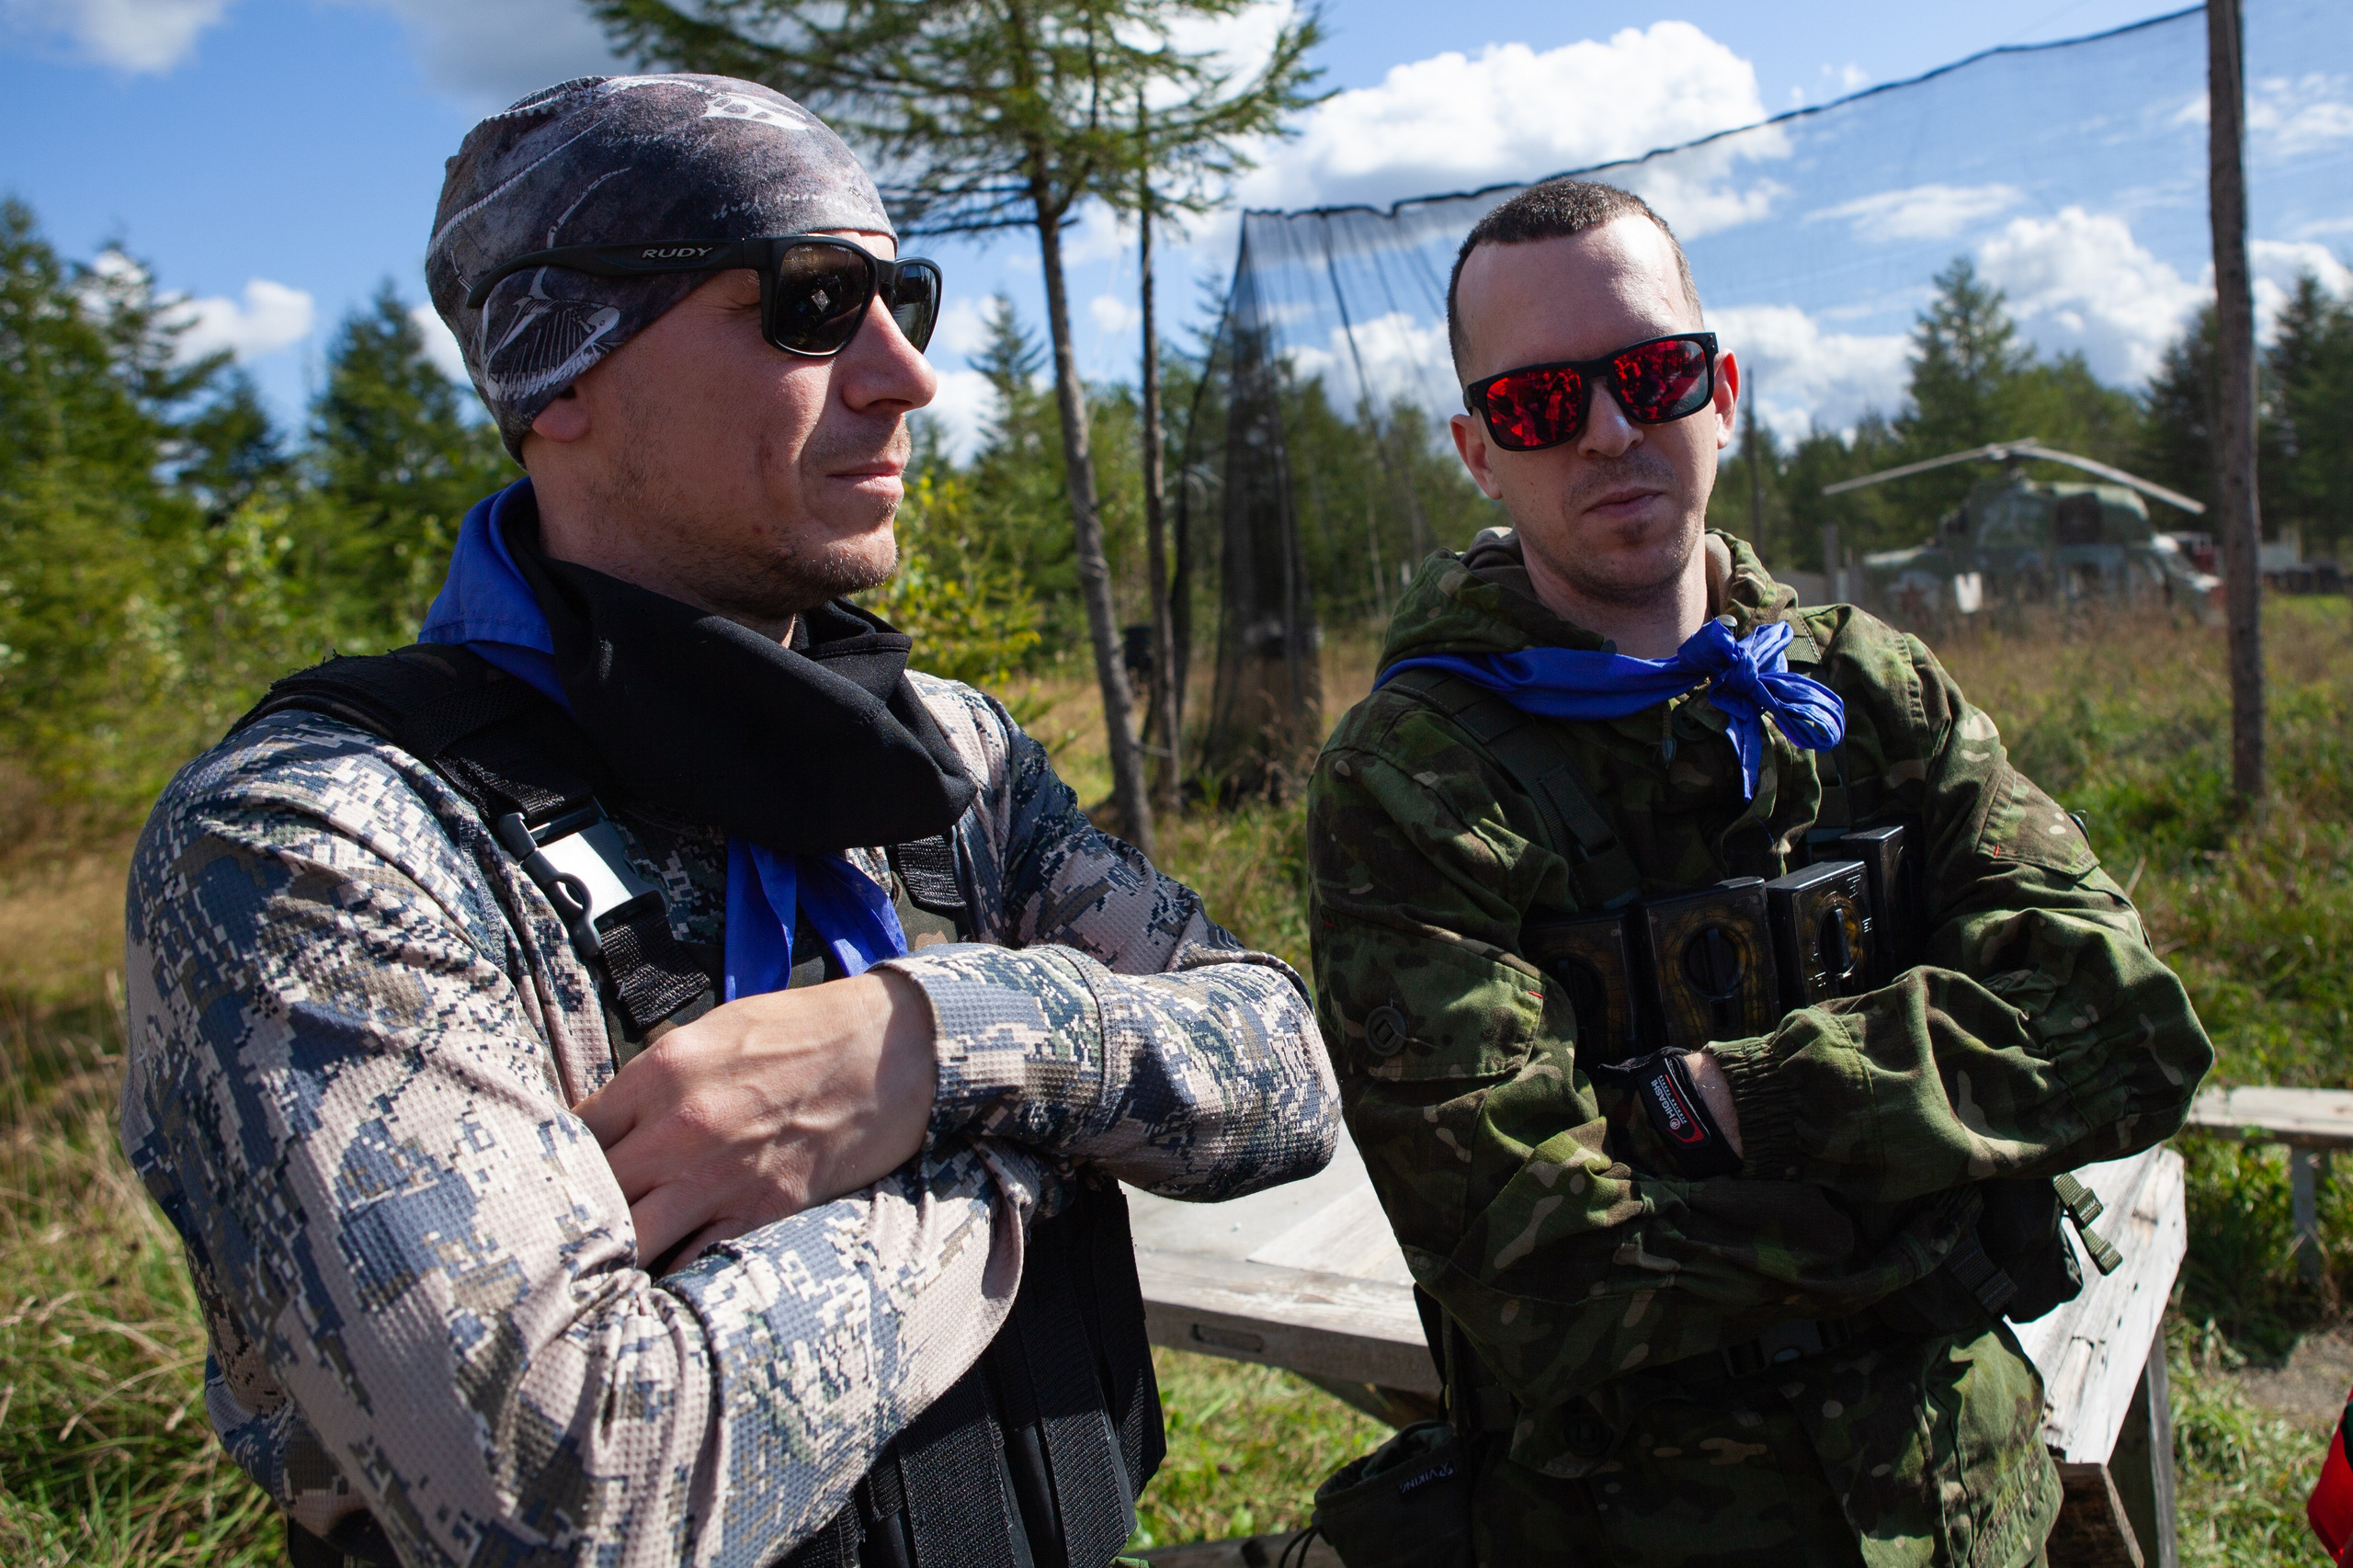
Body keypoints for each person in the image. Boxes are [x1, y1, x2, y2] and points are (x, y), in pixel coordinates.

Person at [120, 74, 1336, 1568]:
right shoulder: (324, 843)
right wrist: (1033, 1160)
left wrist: (939, 1043)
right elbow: (579, 1492)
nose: (906, 375)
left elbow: (1286, 1066)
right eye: (813, 304)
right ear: (557, 365)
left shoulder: (944, 754)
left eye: (904, 299)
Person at [1303, 178, 2211, 1567]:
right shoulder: (1417, 780)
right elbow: (1533, 1263)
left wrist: (1760, 1100)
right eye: (1541, 403)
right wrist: (1944, 1196)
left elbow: (2128, 1028)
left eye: (1651, 376)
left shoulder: (1869, 692)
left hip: (1969, 1500)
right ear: (1479, 450)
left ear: (1719, 394)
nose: (1610, 431)